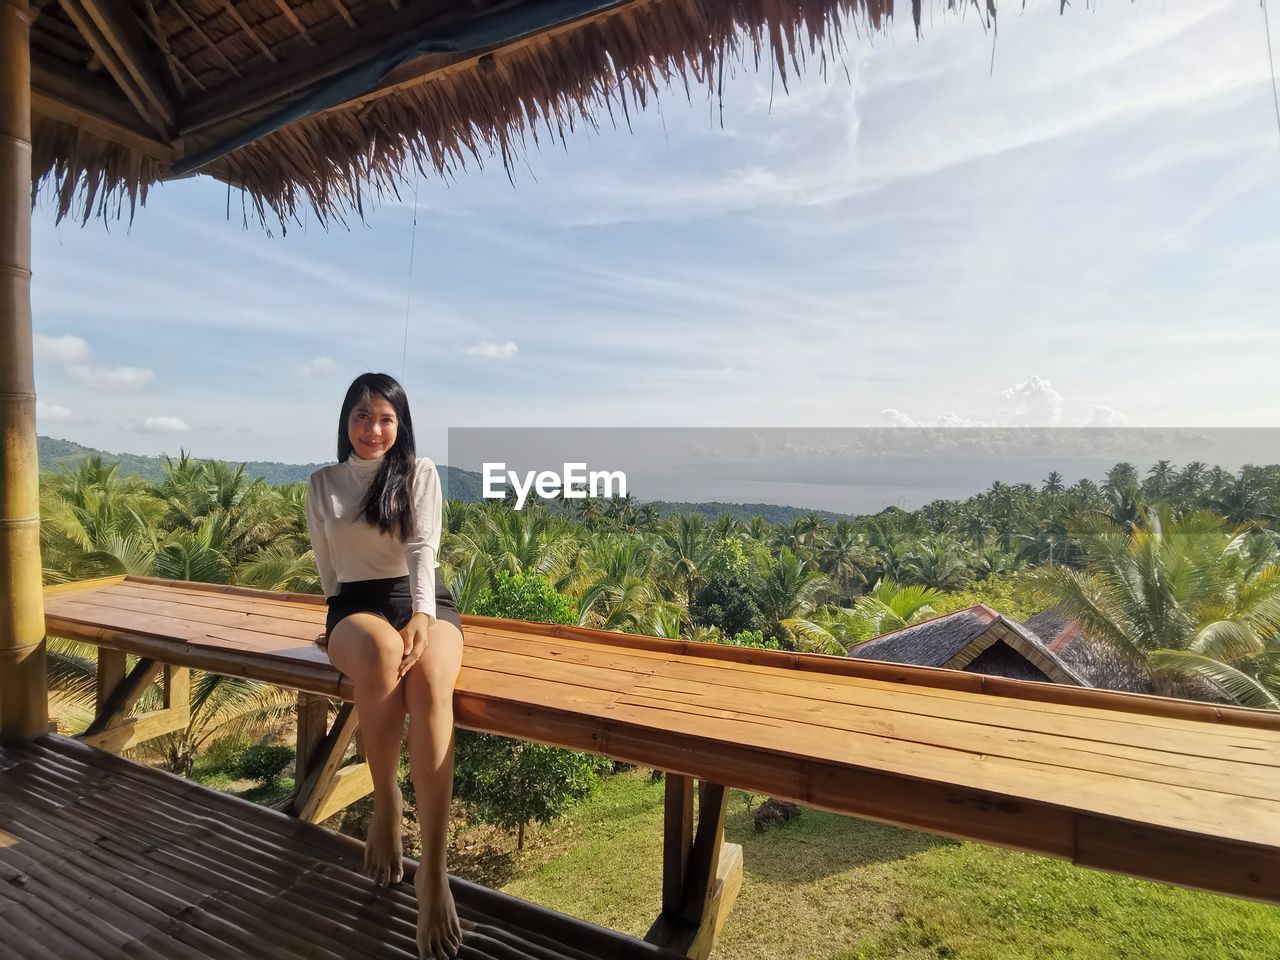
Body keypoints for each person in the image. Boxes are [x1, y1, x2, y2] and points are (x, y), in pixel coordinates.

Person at [304, 372, 465, 960]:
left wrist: (423, 613)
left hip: (422, 599)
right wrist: (337, 631)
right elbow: (329, 569)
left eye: (386, 419)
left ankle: (434, 871)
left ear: (401, 424)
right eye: (362, 416)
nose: (374, 430)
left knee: (428, 683)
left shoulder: (418, 474)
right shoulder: (323, 484)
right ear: (345, 420)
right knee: (380, 652)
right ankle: (386, 801)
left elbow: (423, 550)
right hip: (355, 607)